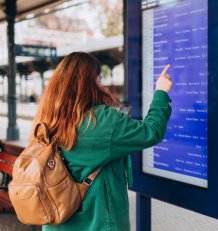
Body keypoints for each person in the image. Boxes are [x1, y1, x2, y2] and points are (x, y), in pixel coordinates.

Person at [32, 52, 173, 231]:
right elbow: (151, 131)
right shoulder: (101, 120)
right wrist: (161, 92)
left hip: (57, 224)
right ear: (91, 83)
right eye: (99, 79)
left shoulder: (47, 117)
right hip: (99, 225)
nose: (102, 84)